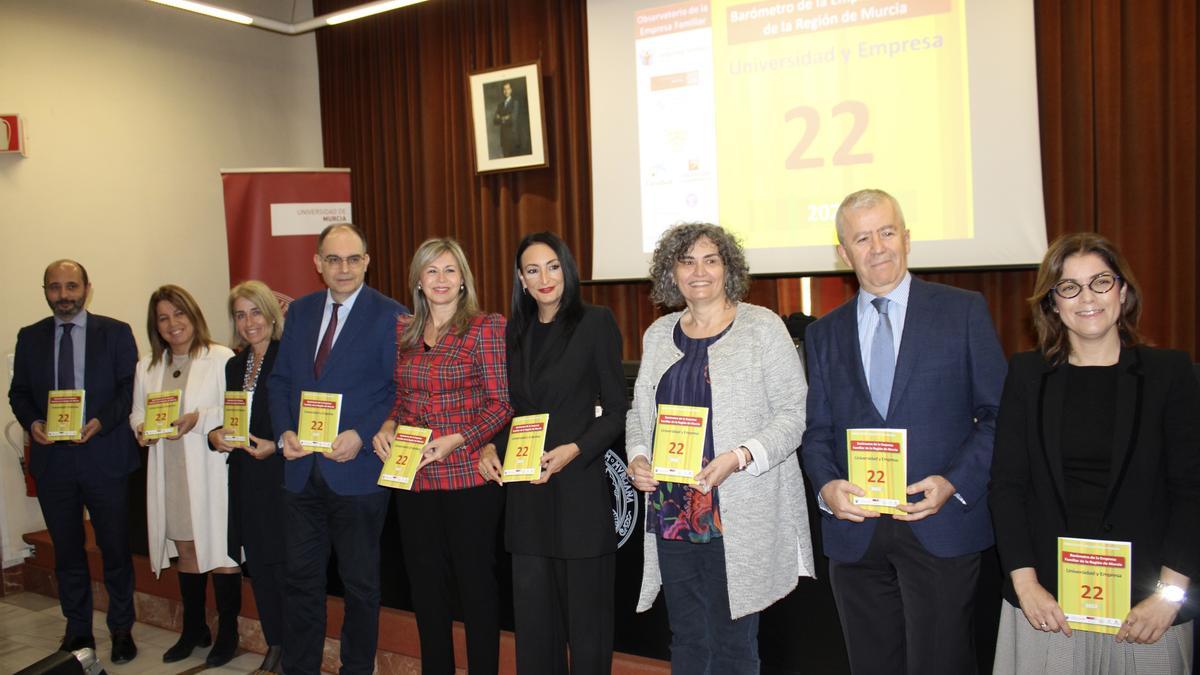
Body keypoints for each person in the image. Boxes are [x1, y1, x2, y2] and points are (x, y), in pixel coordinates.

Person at [801, 188, 1007, 674]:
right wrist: (828, 488)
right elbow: (817, 432)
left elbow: (1000, 415)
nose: (877, 248)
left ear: (908, 238)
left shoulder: (962, 311)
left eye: (887, 232)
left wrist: (953, 483)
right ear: (843, 251)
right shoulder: (823, 333)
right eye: (862, 237)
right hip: (856, 536)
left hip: (939, 527)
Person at [989, 232, 1200, 673]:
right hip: (1047, 607)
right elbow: (1008, 487)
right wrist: (1026, 586)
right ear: (1053, 303)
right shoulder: (1026, 375)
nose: (1087, 297)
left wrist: (1169, 597)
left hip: (1145, 613)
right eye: (1069, 287)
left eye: (1101, 282)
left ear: (1123, 292)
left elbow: (1191, 492)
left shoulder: (1171, 374)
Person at [624, 223, 814, 673]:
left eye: (711, 259)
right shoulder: (657, 334)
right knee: (686, 638)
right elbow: (638, 413)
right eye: (686, 261)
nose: (699, 271)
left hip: (737, 510)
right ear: (672, 272)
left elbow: (794, 414)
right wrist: (637, 457)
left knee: (733, 643)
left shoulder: (762, 327)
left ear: (728, 268)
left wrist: (740, 456)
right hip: (672, 509)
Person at [477, 232, 629, 674]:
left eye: (552, 266)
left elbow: (617, 412)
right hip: (527, 496)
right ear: (521, 280)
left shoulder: (595, 322)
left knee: (587, 630)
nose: (544, 278)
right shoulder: (516, 330)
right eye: (532, 270)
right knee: (535, 629)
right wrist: (492, 446)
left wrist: (575, 450)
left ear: (567, 269)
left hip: (578, 490)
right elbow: (517, 412)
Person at [268, 223, 405, 675]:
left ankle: (356, 670)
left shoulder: (393, 315)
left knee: (360, 586)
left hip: (358, 474)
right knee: (301, 582)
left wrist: (363, 435)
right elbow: (281, 380)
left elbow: (399, 390)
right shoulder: (301, 312)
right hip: (301, 472)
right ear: (317, 264)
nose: (342, 268)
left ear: (367, 261)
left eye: (352, 259)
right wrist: (286, 431)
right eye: (332, 259)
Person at [371, 237, 511, 675]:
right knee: (426, 590)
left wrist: (458, 439)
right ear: (418, 279)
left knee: (475, 590)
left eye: (450, 270)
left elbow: (501, 403)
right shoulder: (403, 329)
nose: (441, 279)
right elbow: (402, 396)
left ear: (464, 279)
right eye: (432, 271)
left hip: (468, 477)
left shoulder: (486, 327)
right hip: (412, 477)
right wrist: (388, 425)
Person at [8, 260, 140, 664]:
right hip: (55, 463)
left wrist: (101, 422)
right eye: (55, 287)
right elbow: (19, 393)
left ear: (87, 288)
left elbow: (127, 388)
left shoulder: (116, 333)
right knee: (67, 552)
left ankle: (121, 629)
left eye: (71, 286)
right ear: (45, 290)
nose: (64, 295)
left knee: (115, 549)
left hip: (106, 458)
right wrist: (32, 424)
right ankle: (77, 630)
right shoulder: (29, 337)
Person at [129, 284, 241, 666]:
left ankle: (228, 632)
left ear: (193, 315)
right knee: (187, 548)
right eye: (163, 317)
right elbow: (137, 413)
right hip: (170, 467)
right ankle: (194, 629)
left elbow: (234, 410)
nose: (173, 324)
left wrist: (199, 419)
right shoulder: (148, 366)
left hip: (210, 467)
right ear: (155, 325)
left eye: (179, 314)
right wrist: (141, 427)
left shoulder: (221, 357)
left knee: (223, 549)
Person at [207, 280, 287, 673]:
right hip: (243, 477)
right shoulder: (234, 364)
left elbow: (304, 418)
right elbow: (231, 418)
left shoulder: (290, 357)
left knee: (283, 566)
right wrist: (215, 435)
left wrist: (277, 444)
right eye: (240, 314)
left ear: (271, 313)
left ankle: (291, 646)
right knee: (257, 564)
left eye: (255, 311)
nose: (249, 322)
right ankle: (276, 643)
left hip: (281, 477)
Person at [493, 80, 523, 157]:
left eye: (508, 89)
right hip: (503, 139)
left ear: (511, 90)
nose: (506, 91)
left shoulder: (515, 103)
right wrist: (506, 117)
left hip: (513, 138)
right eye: (504, 89)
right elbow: (495, 121)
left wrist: (501, 118)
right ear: (503, 91)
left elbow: (512, 119)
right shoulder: (500, 105)